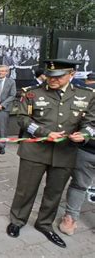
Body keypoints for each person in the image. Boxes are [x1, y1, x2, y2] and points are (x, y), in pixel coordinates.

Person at [6, 59, 95, 248]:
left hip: (65, 152)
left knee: (54, 192)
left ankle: (44, 224)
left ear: (71, 75)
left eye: (58, 76)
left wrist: (85, 134)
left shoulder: (86, 95)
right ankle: (17, 220)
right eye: (49, 75)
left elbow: (91, 123)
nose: (52, 80)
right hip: (35, 151)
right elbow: (22, 119)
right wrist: (44, 133)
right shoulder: (31, 93)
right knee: (26, 189)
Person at [58, 72, 95, 235]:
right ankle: (70, 218)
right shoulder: (87, 94)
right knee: (80, 183)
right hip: (87, 150)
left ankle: (70, 218)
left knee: (79, 184)